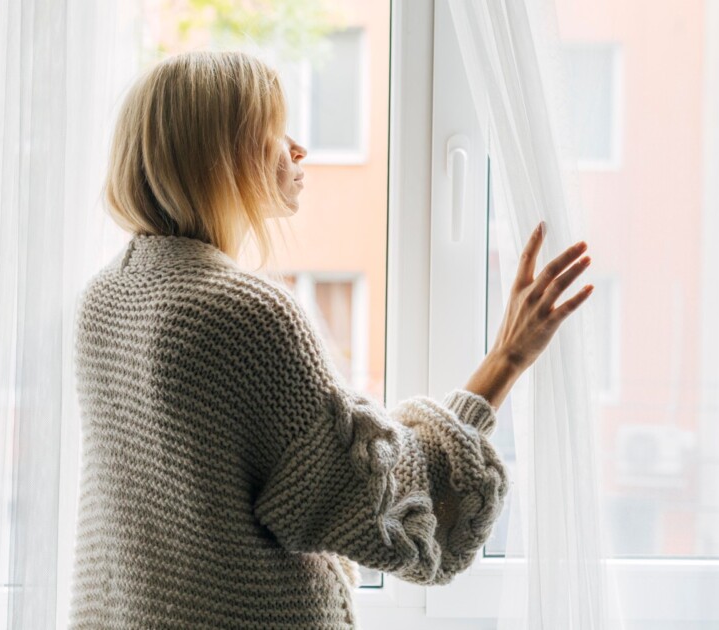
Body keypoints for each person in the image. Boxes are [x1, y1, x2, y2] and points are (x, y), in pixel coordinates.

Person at [68, 50, 594, 629]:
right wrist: (507, 358)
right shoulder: (245, 314)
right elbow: (386, 505)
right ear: (218, 158)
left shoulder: (106, 298)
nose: (298, 150)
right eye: (272, 133)